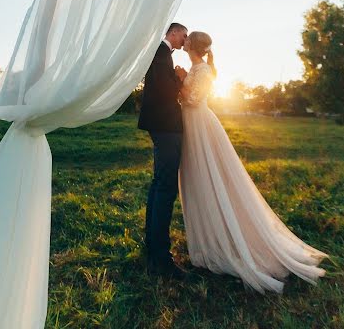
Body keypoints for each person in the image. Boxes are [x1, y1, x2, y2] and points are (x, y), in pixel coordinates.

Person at [178, 31, 329, 293]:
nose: (185, 39)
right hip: (190, 126)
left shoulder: (202, 70)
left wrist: (180, 80)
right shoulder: (196, 67)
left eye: (188, 37)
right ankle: (207, 238)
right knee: (197, 179)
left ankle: (226, 240)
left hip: (200, 125)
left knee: (209, 176)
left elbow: (191, 99)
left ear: (193, 45)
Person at [138, 22, 188, 279]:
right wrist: (179, 79)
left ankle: (152, 244)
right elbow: (165, 91)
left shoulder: (162, 53)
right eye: (184, 34)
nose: (185, 39)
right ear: (173, 32)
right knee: (166, 187)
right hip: (165, 126)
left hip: (163, 125)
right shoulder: (161, 52)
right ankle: (160, 256)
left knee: (159, 184)